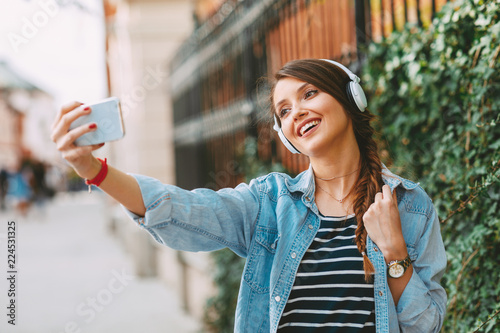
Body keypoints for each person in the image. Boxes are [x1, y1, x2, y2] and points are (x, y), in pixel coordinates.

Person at [50, 58, 447, 332]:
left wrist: (395, 254)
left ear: (349, 98)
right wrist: (95, 171)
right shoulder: (270, 203)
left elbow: (426, 325)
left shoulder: (409, 205)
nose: (297, 113)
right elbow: (184, 210)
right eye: (284, 111)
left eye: (309, 95)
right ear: (285, 137)